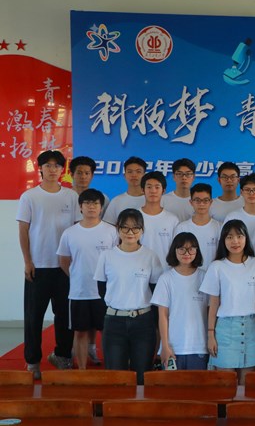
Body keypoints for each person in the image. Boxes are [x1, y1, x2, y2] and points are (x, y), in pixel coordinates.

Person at [17, 150, 79, 377]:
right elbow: (23, 230)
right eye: (48, 165)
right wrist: (27, 261)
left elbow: (77, 231)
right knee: (34, 316)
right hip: (38, 266)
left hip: (64, 267)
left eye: (57, 165)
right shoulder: (29, 196)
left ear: (62, 169)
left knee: (64, 316)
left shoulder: (71, 196)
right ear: (40, 168)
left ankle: (62, 356)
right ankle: (32, 361)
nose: (53, 169)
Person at [94, 208, 163, 384]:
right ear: (118, 228)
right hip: (114, 322)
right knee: (116, 377)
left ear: (142, 230)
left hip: (143, 322)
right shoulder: (107, 256)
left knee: (142, 375)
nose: (130, 232)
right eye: (125, 227)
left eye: (135, 228)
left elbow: (155, 290)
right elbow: (102, 289)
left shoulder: (150, 256)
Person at [57, 188, 117, 370]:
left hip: (106, 293)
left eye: (95, 203)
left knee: (107, 332)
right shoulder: (70, 233)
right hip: (79, 292)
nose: (91, 207)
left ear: (101, 207)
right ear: (80, 207)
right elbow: (64, 261)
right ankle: (82, 372)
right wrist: (77, 276)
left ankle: (110, 369)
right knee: (80, 332)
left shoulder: (111, 231)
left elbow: (118, 259)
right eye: (87, 203)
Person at [201, 219, 255, 384]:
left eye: (239, 236)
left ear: (246, 238)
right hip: (225, 329)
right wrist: (210, 335)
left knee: (247, 385)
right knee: (225, 384)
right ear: (223, 240)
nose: (235, 241)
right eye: (229, 237)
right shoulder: (217, 266)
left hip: (253, 328)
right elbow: (213, 304)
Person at [152, 232, 209, 370]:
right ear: (174, 250)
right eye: (182, 248)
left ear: (197, 251)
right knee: (172, 384)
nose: (186, 253)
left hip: (199, 347)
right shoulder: (166, 279)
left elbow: (210, 311)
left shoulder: (205, 277)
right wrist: (165, 345)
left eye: (191, 249)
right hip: (173, 348)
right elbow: (163, 315)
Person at [174, 183, 221, 271]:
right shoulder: (182, 228)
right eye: (197, 200)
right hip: (190, 275)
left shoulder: (219, 227)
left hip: (214, 275)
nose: (201, 204)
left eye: (205, 200)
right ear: (191, 202)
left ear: (211, 202)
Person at [139, 171, 179, 267]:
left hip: (166, 270)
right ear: (142, 190)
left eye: (157, 187)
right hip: (138, 269)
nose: (153, 191)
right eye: (149, 187)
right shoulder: (134, 217)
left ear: (163, 190)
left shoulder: (172, 220)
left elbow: (177, 248)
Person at [104, 157, 147, 225]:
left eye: (138, 171)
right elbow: (108, 226)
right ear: (124, 175)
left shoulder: (152, 200)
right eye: (130, 172)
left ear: (144, 175)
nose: (134, 175)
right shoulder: (116, 201)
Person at [161, 158, 196, 222]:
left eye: (188, 174)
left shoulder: (199, 201)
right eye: (179, 174)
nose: (184, 177)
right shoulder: (163, 200)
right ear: (174, 177)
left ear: (193, 177)